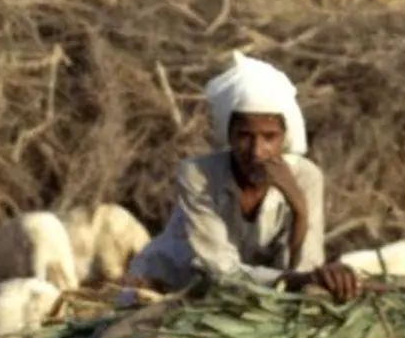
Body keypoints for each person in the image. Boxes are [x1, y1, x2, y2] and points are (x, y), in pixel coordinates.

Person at [127, 50, 359, 302]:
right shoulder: (198, 175)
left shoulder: (306, 177)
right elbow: (220, 270)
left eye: (269, 137)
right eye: (245, 136)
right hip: (171, 285)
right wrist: (296, 279)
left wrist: (299, 208)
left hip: (252, 292)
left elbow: (305, 271)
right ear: (230, 136)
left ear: (284, 138)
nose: (257, 151)